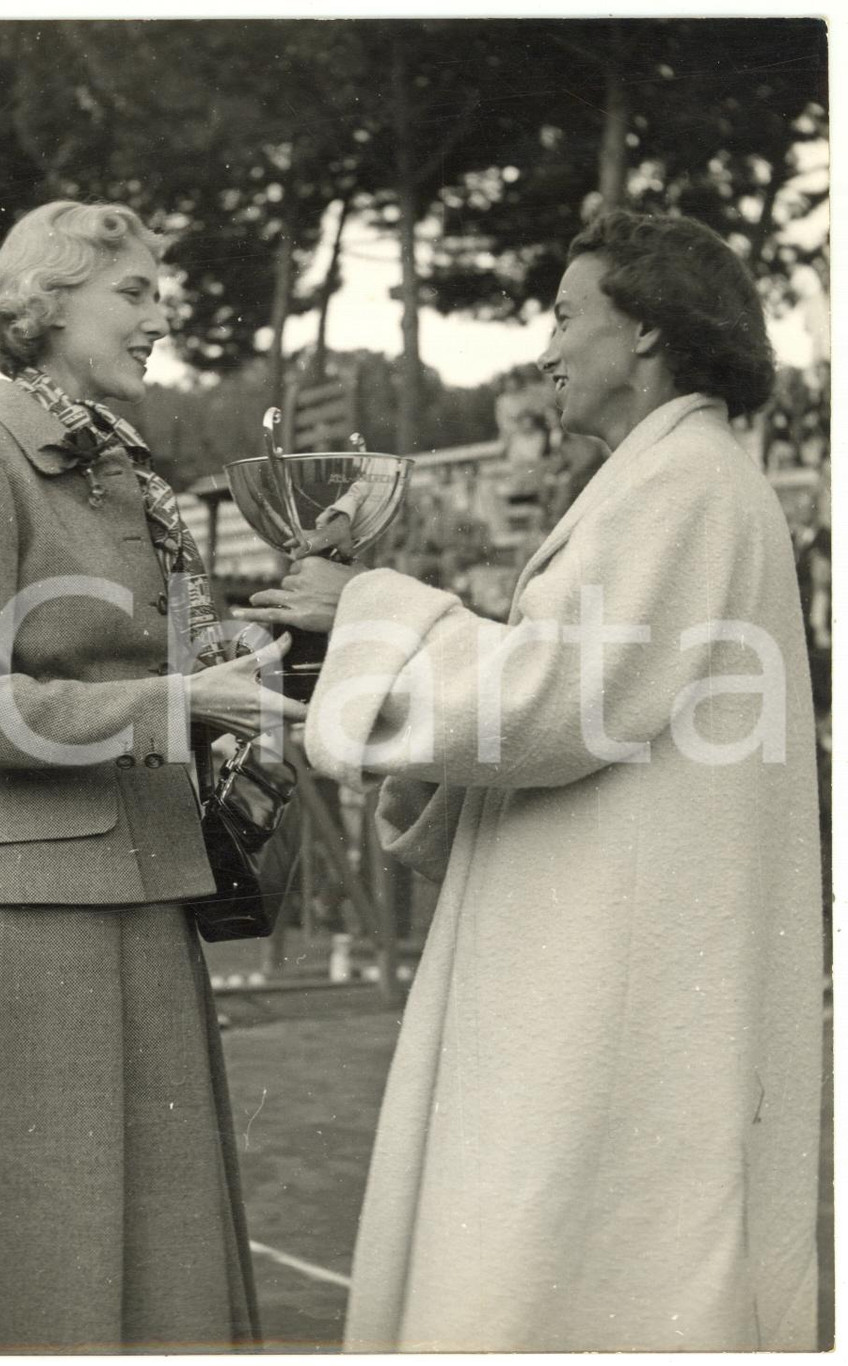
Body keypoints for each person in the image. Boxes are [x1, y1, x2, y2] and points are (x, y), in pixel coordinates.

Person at [235, 210, 823, 1351]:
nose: (544, 349)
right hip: (616, 943)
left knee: (575, 1264)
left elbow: (551, 700)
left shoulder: (683, 485)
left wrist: (366, 609)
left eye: (565, 315)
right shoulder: (673, 480)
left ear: (646, 332)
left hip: (620, 964)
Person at [0, 200, 306, 1354]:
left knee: (154, 1256)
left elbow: (140, 680)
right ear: (41, 303)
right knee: (46, 1256)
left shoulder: (121, 479)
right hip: (25, 913)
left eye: (159, 294)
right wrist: (170, 706)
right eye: (134, 293)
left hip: (141, 889)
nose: (161, 317)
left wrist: (229, 684)